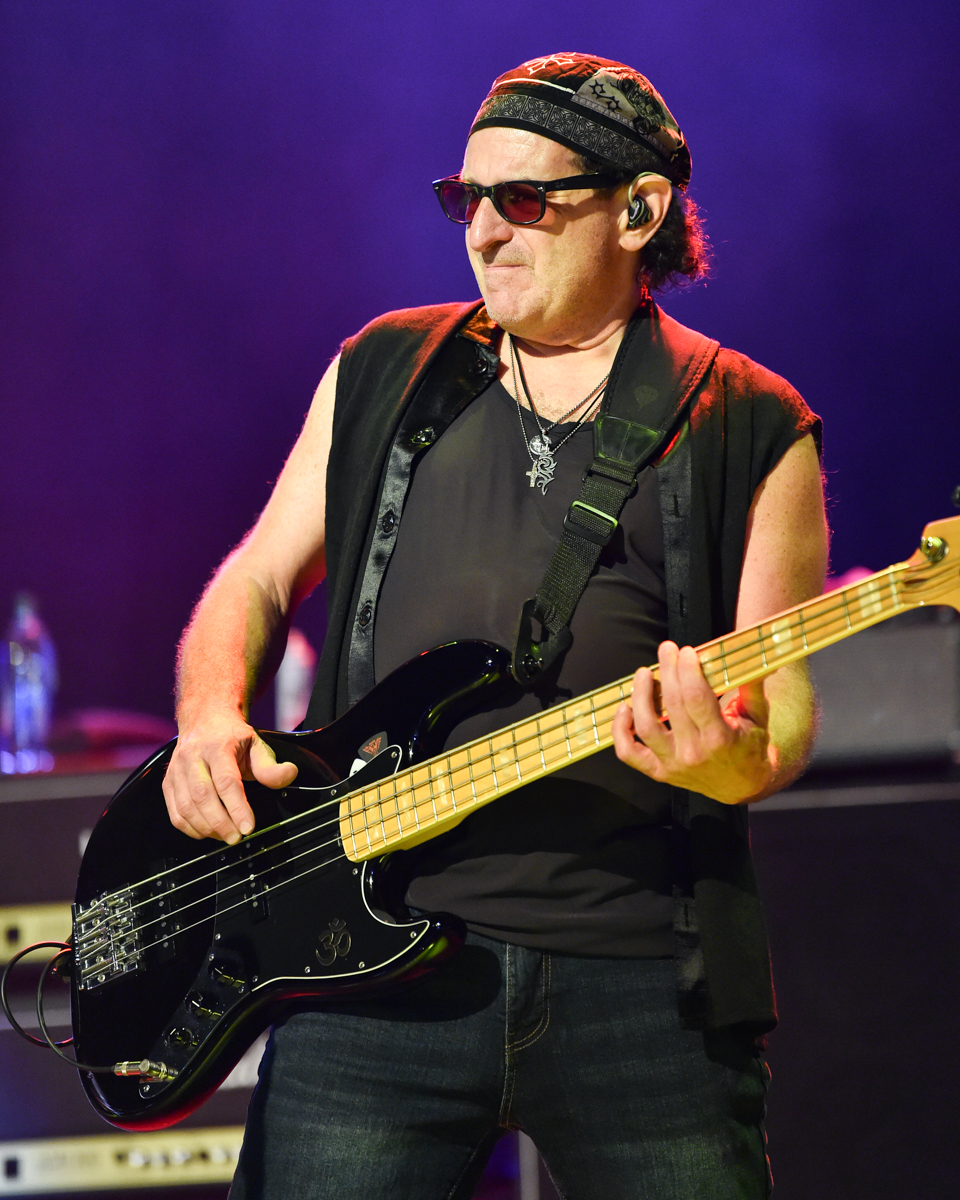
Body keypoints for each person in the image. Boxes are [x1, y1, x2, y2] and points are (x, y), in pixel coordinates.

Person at [163, 53, 828, 1200]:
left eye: (522, 200)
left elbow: (782, 727)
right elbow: (258, 580)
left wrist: (724, 761)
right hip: (364, 965)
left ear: (639, 210)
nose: (481, 231)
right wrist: (207, 716)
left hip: (640, 989)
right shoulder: (382, 368)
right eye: (463, 200)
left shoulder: (754, 423)